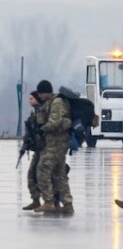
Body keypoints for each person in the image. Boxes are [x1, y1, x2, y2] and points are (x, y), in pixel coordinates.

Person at [33, 80, 74, 215]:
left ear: (45, 92)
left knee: (42, 169)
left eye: (41, 93)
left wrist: (42, 129)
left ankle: (49, 201)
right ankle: (67, 203)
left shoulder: (56, 103)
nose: (40, 96)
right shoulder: (48, 103)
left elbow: (54, 122)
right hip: (56, 142)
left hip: (57, 142)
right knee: (59, 174)